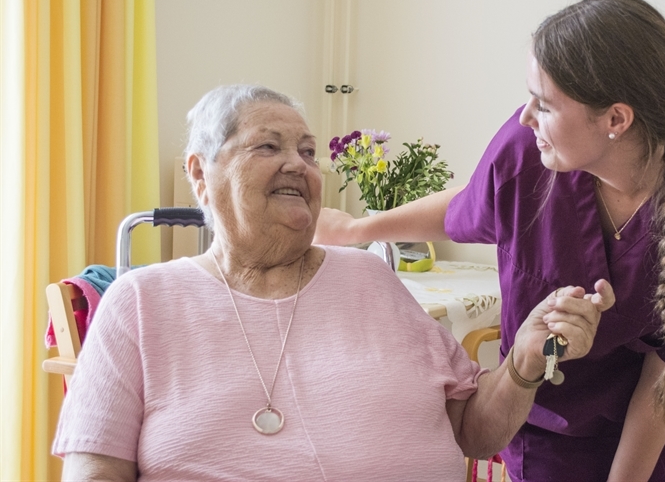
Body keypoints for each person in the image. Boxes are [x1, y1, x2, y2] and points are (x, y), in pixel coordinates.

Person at [315, 0, 665, 482]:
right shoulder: (528, 152)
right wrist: (357, 228)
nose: (524, 118)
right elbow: (469, 206)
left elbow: (664, 384)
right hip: (547, 435)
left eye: (544, 104)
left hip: (662, 443)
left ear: (616, 120)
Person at [52, 84, 614, 481]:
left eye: (307, 152)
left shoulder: (370, 277)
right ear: (200, 173)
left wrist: (524, 359)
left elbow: (473, 430)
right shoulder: (141, 303)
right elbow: (94, 469)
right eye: (269, 147)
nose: (298, 164)